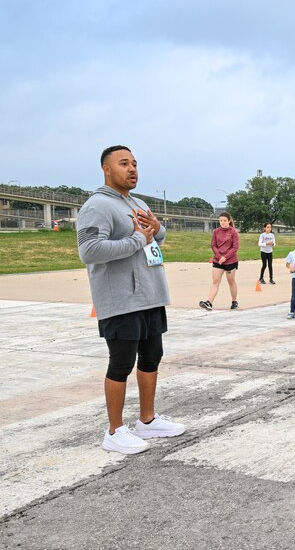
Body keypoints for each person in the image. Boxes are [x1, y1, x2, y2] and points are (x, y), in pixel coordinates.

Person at [77, 145, 185, 454]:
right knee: (121, 362)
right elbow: (90, 250)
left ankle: (147, 421)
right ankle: (114, 431)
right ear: (106, 169)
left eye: (135, 163)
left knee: (152, 357)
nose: (132, 169)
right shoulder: (97, 206)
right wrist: (139, 238)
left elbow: (155, 237)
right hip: (121, 299)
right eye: (124, 163)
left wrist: (156, 229)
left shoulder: (136, 202)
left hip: (150, 295)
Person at [199, 212, 240, 311]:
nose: (222, 222)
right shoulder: (216, 232)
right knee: (215, 281)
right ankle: (209, 302)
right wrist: (219, 256)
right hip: (218, 260)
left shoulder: (233, 232)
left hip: (230, 261)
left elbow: (235, 247)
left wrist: (225, 257)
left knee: (231, 281)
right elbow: (213, 245)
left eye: (224, 220)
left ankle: (234, 302)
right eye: (221, 220)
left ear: (229, 221)